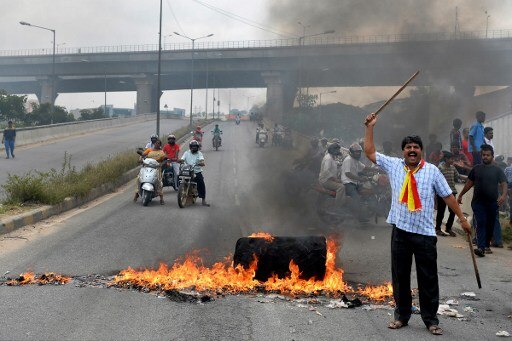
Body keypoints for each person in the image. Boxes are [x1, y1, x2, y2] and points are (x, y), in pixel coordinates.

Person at [364, 112, 471, 336]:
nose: (412, 150)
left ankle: (431, 319)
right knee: (400, 276)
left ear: (421, 151)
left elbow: (447, 196)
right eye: (408, 147)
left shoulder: (432, 171)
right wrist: (370, 127)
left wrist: (462, 219)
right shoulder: (394, 166)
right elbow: (370, 152)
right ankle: (401, 316)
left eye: (416, 147)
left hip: (424, 234)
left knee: (428, 278)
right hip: (401, 232)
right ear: (403, 151)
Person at [457, 145, 507, 257]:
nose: (485, 157)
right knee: (481, 222)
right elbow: (469, 183)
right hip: (478, 202)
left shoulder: (497, 170)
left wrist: (503, 195)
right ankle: (481, 247)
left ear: (492, 156)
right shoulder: (476, 169)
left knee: (490, 224)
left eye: (488, 155)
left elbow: (504, 184)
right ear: (481, 156)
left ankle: (486, 245)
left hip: (492, 203)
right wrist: (460, 195)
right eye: (483, 155)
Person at [435, 151, 466, 237]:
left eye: (453, 159)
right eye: (451, 159)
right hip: (442, 193)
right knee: (441, 211)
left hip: (452, 192)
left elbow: (458, 176)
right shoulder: (440, 168)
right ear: (446, 159)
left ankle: (448, 228)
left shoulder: (453, 168)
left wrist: (469, 178)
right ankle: (437, 228)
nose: (453, 160)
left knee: (453, 211)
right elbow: (436, 181)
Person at [341, 143, 371, 222]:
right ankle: (359, 217)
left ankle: (366, 210)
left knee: (366, 191)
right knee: (357, 198)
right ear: (351, 152)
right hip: (348, 183)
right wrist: (360, 179)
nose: (358, 153)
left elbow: (365, 168)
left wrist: (379, 169)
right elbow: (348, 173)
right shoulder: (348, 160)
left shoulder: (355, 160)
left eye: (359, 152)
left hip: (354, 183)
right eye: (356, 152)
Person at [134, 139, 166, 205]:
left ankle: (161, 198)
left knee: (159, 182)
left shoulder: (162, 153)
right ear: (154, 144)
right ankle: (136, 193)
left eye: (158, 143)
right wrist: (140, 158)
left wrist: (162, 164)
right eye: (156, 143)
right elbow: (143, 155)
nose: (157, 144)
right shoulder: (149, 150)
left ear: (160, 145)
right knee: (138, 178)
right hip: (147, 167)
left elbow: (164, 160)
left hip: (156, 169)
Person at [180, 140, 210, 206]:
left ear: (197, 147)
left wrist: (201, 162)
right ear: (190, 147)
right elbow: (182, 159)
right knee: (179, 177)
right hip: (187, 170)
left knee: (201, 183)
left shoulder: (199, 153)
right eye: (193, 146)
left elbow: (201, 160)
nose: (194, 148)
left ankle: (203, 200)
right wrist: (180, 161)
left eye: (195, 146)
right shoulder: (186, 153)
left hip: (196, 172)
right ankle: (180, 190)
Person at [318, 142, 345, 209]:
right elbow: (326, 170)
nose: (338, 151)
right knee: (341, 187)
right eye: (337, 150)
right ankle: (337, 207)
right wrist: (334, 179)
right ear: (333, 150)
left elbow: (335, 165)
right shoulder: (329, 158)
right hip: (325, 180)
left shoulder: (332, 157)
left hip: (329, 179)